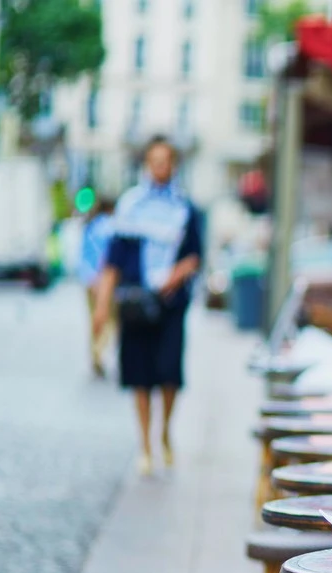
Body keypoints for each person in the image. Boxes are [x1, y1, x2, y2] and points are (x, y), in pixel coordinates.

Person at [92, 136, 203, 475]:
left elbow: (194, 257)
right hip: (137, 302)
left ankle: (165, 431)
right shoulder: (130, 207)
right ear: (146, 164)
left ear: (172, 165)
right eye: (153, 161)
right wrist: (101, 305)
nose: (159, 167)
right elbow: (113, 262)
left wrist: (172, 278)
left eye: (164, 160)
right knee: (139, 375)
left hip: (169, 304)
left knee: (168, 373)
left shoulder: (185, 209)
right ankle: (145, 445)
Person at [77, 197, 117, 377]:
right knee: (109, 321)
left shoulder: (90, 227)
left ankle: (96, 355)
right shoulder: (111, 227)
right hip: (107, 282)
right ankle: (100, 353)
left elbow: (83, 256)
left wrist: (90, 279)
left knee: (95, 320)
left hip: (90, 281)